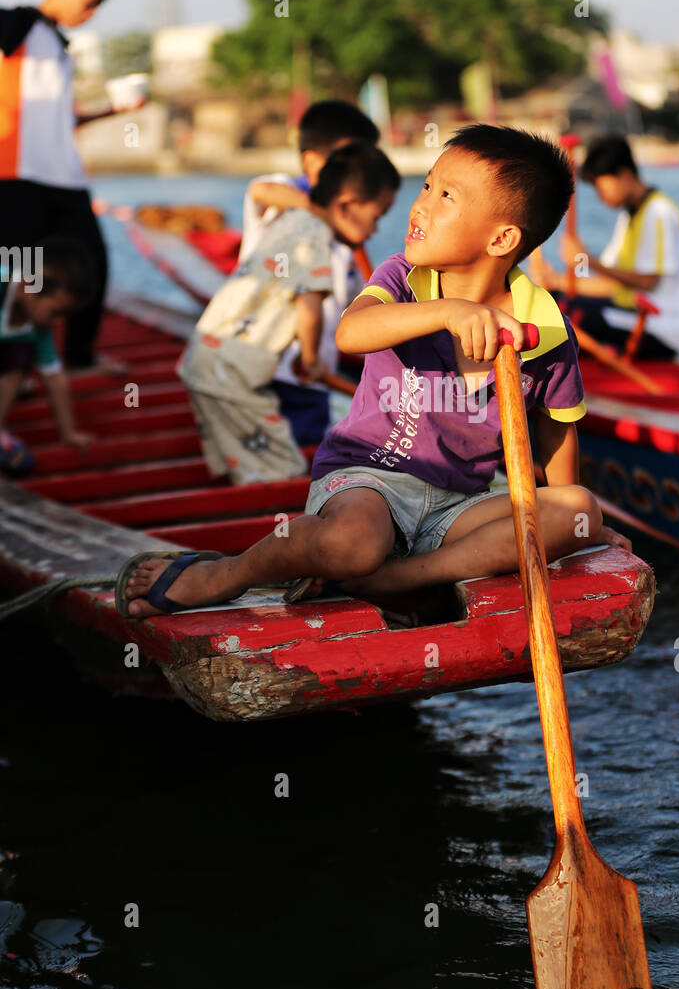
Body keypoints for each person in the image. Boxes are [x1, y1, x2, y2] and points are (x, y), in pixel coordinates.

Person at [117, 124, 628, 619]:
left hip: (461, 502)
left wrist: (571, 531)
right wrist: (448, 313)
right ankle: (225, 574)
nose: (420, 205)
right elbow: (351, 333)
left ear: (501, 239)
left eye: (446, 196)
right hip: (370, 480)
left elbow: (555, 433)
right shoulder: (402, 279)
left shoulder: (546, 330)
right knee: (352, 544)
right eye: (426, 185)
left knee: (578, 507)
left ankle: (395, 579)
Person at [176, 142, 400, 486]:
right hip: (231, 373)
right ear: (346, 206)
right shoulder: (317, 236)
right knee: (285, 467)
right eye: (376, 218)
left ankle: (247, 495)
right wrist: (311, 359)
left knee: (243, 462)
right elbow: (309, 308)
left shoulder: (292, 220)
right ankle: (276, 512)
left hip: (206, 360)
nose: (375, 231)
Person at [0, 0, 135, 371]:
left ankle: (79, 356)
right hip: (18, 177)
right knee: (20, 276)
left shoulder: (60, 48)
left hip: (66, 179)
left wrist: (114, 110)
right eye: (89, 2)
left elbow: (62, 120)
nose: (90, 14)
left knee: (90, 267)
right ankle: (15, 368)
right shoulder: (19, 24)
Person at [239, 99, 381, 444]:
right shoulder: (284, 196)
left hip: (312, 373)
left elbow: (362, 301)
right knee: (267, 445)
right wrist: (320, 210)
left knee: (306, 444)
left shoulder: (347, 233)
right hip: (268, 365)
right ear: (314, 162)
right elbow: (260, 190)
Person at [534, 133, 679, 360]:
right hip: (639, 312)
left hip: (669, 325)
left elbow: (648, 281)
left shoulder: (659, 213)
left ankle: (571, 371)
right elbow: (610, 283)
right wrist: (556, 281)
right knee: (555, 300)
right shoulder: (630, 218)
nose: (600, 196)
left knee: (570, 315)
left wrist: (587, 260)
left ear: (624, 175)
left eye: (601, 186)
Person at [0, 237, 96, 473]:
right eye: (57, 312)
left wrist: (68, 433)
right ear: (27, 287)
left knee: (19, 358)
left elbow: (54, 378)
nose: (59, 322)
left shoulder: (37, 324)